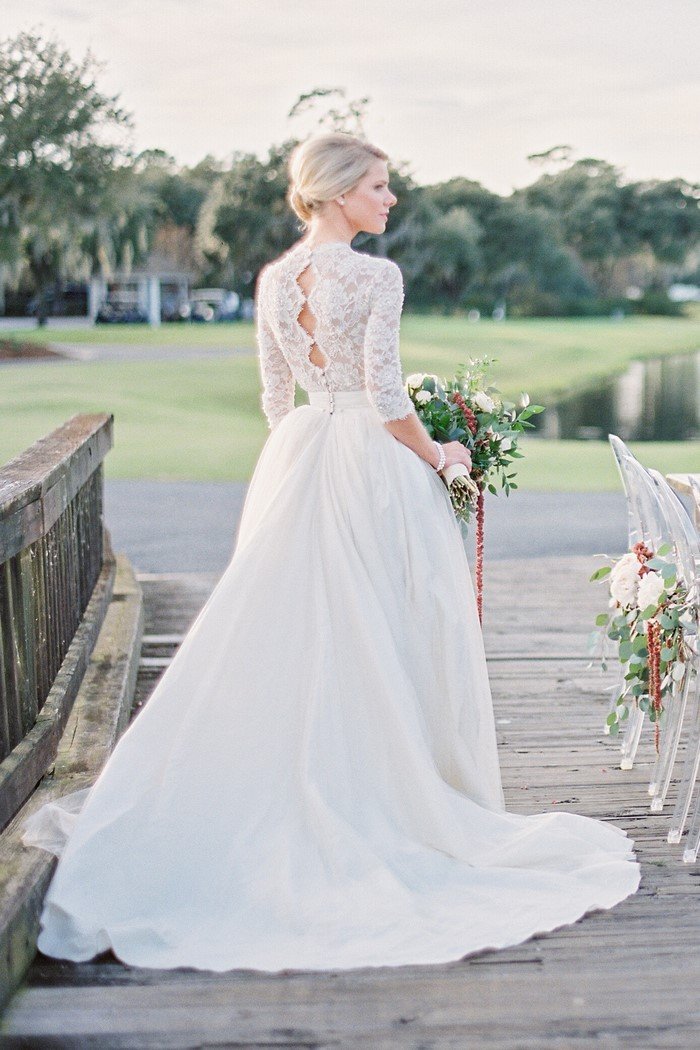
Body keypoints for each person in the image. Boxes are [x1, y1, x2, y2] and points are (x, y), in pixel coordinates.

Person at [21, 132, 640, 973]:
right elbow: (386, 398)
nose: (389, 201)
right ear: (341, 190)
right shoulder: (375, 276)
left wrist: (309, 454)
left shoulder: (276, 280)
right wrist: (445, 459)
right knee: (380, 624)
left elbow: (278, 399)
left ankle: (295, 778)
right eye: (379, 186)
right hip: (367, 462)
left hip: (301, 454)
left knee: (293, 628)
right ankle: (378, 795)